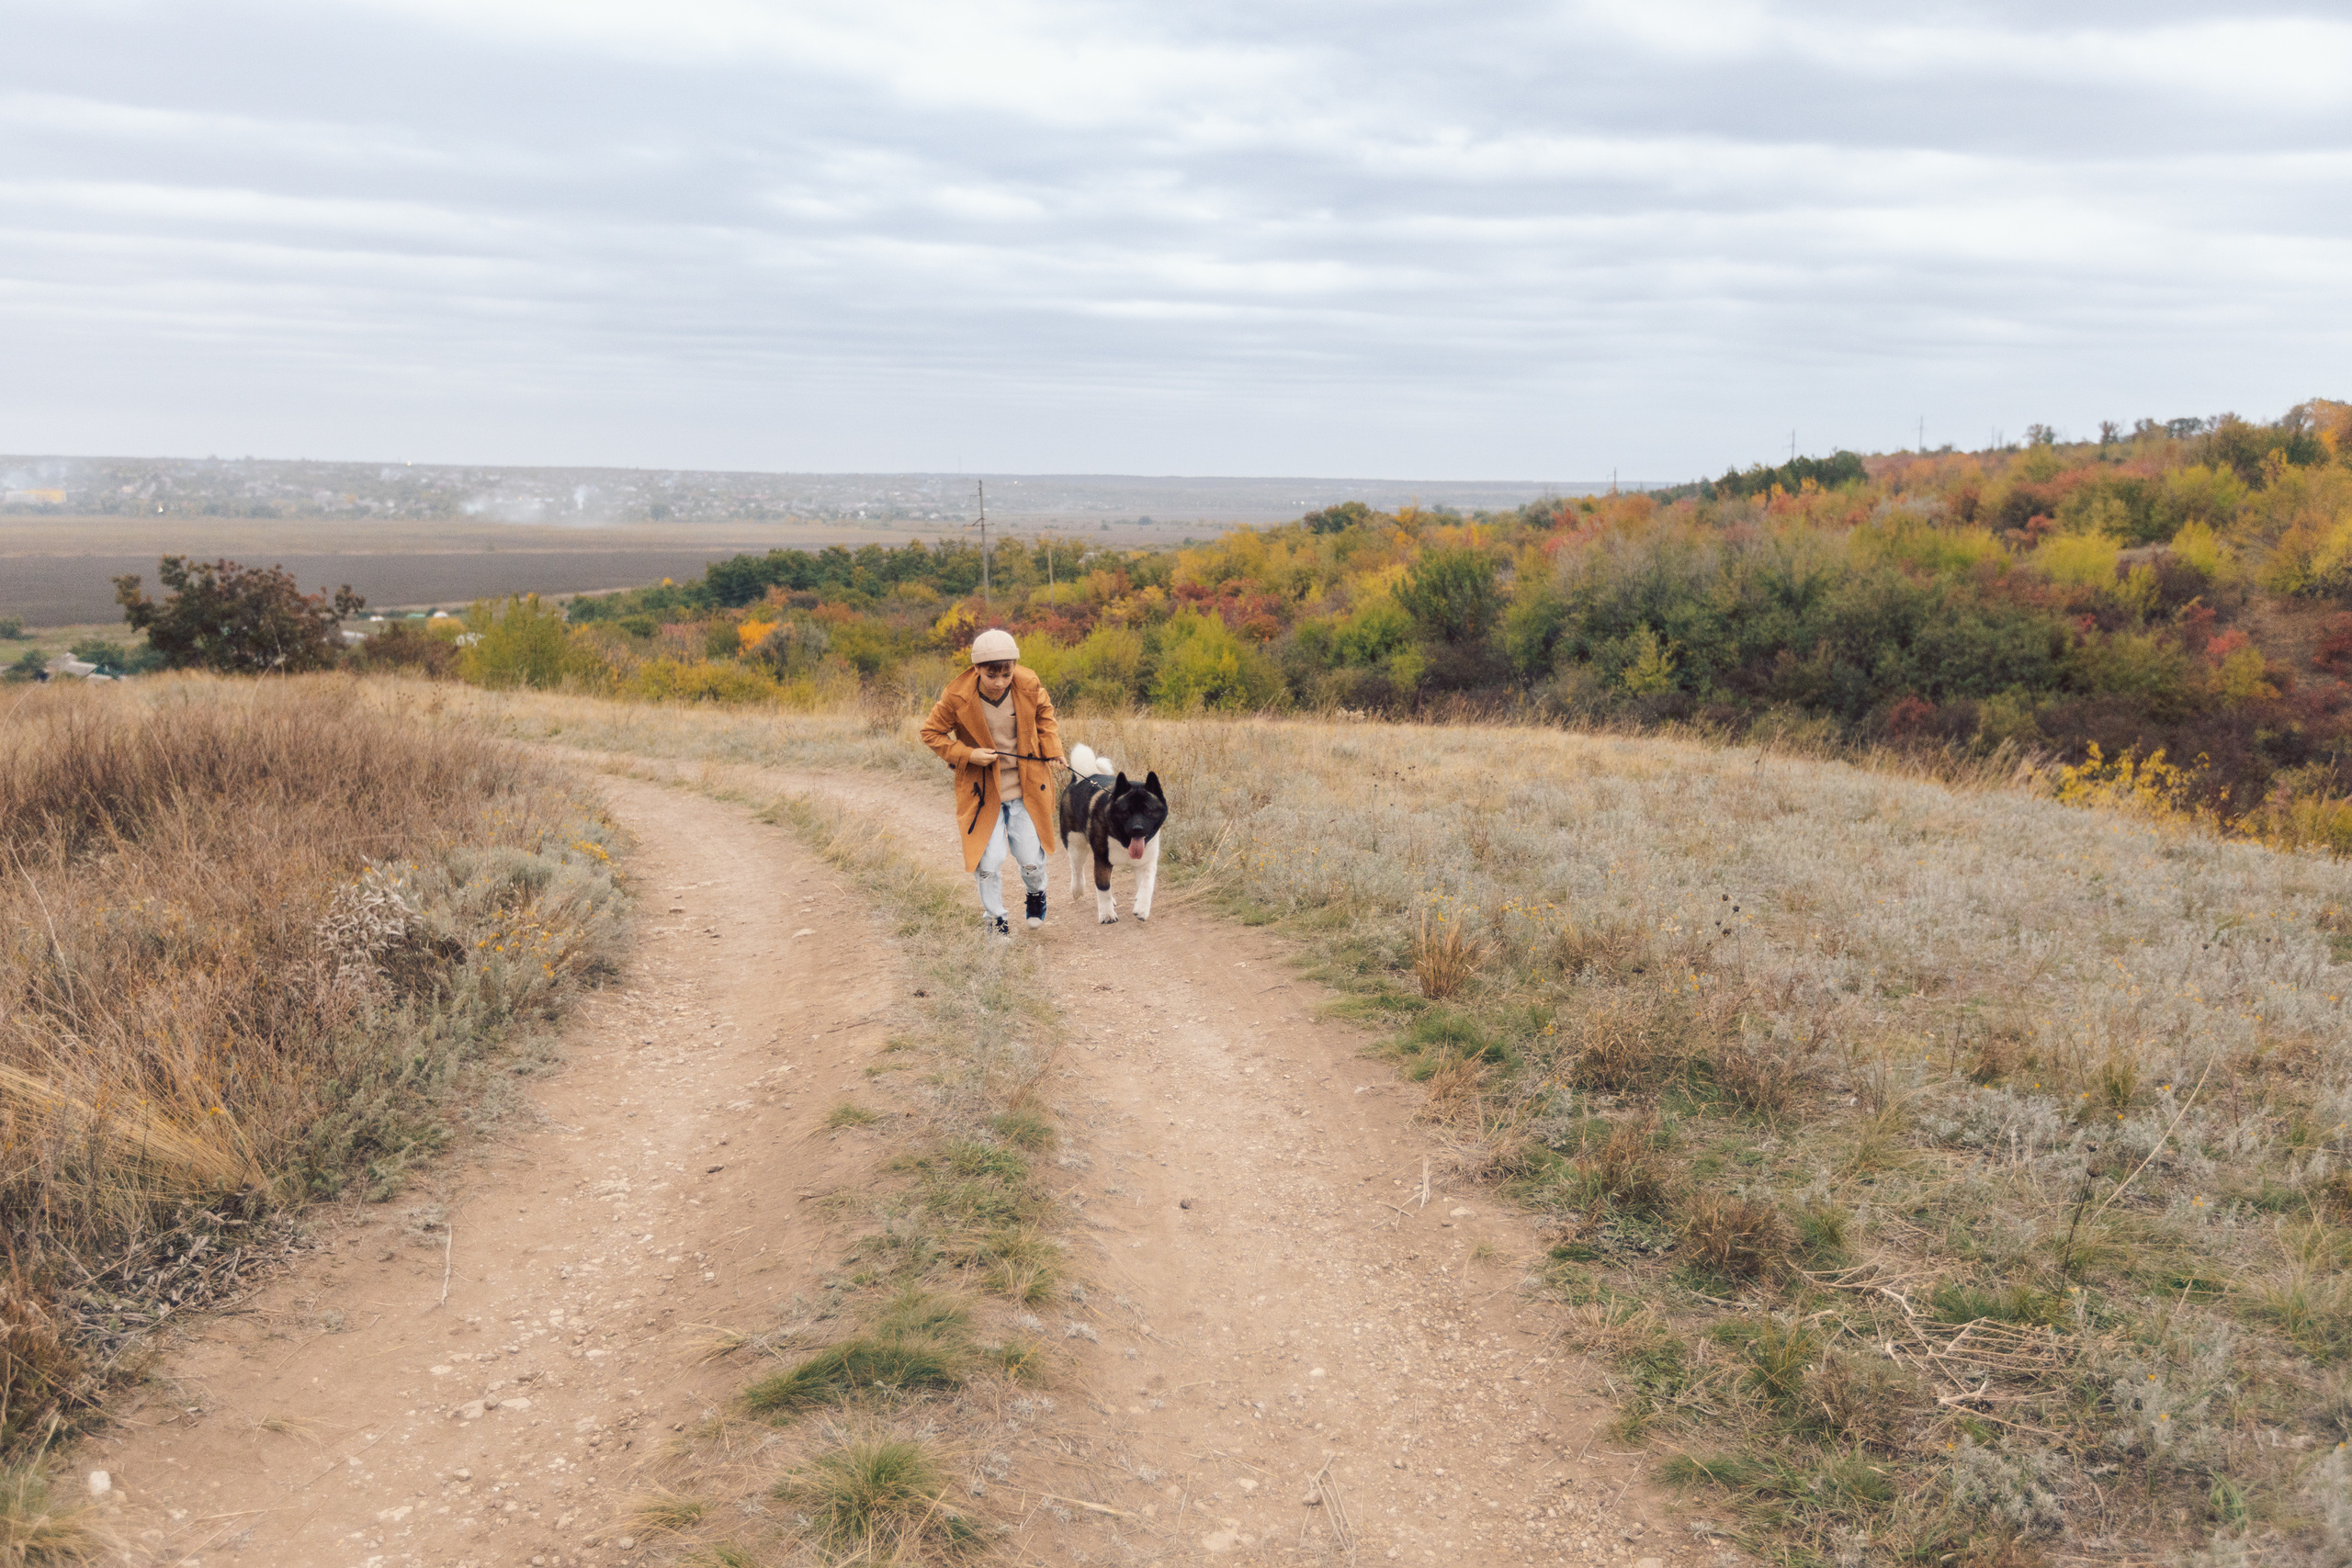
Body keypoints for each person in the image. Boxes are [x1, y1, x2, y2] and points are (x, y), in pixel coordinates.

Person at [920, 628, 1066, 937]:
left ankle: (1036, 893)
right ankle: (995, 920)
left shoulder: (1028, 684)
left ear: (1013, 668)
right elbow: (930, 733)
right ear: (976, 669)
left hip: (1026, 788)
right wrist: (967, 754)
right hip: (981, 791)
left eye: (1006, 673)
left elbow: (1045, 718)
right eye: (991, 675)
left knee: (1030, 859)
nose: (1000, 682)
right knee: (988, 861)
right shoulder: (956, 697)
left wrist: (1052, 751)